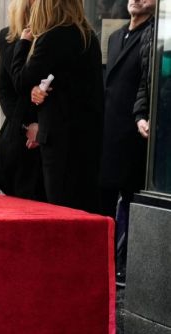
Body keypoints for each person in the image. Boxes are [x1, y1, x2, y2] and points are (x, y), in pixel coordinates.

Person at [12, 0, 104, 213]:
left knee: (62, 211)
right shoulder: (88, 37)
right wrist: (39, 89)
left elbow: (20, 80)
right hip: (87, 140)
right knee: (85, 209)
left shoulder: (53, 36)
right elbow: (69, 83)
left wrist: (23, 43)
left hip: (60, 142)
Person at [99, 0, 155, 284]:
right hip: (110, 132)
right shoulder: (114, 37)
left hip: (136, 133)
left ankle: (125, 264)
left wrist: (141, 116)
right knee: (105, 199)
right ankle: (105, 260)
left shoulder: (155, 34)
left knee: (132, 201)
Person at [0, 0, 45, 201]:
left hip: (47, 131)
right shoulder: (7, 37)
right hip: (17, 132)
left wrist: (41, 125)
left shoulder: (52, 36)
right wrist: (27, 125)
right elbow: (4, 89)